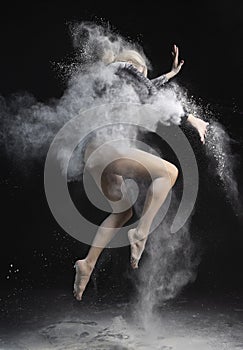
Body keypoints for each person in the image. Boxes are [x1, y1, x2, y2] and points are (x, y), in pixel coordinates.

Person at [73, 44, 209, 301]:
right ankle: (140, 232)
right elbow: (146, 86)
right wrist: (190, 118)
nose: (143, 79)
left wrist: (170, 74)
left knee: (123, 211)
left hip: (96, 156)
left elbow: (148, 87)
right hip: (104, 148)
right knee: (169, 172)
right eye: (141, 72)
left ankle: (87, 264)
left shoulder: (121, 83)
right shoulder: (119, 68)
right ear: (132, 65)